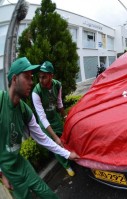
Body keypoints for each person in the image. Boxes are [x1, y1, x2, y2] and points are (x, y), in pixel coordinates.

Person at [0, 57, 80, 199]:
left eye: (32, 77)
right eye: (27, 77)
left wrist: (67, 154)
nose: (32, 82)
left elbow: (42, 138)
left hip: (20, 163)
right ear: (14, 79)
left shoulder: (25, 110)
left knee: (48, 194)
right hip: (7, 170)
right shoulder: (1, 101)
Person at [32, 61, 75, 177]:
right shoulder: (36, 92)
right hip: (45, 122)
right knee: (55, 144)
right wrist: (55, 137)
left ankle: (70, 156)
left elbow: (59, 103)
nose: (41, 80)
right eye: (39, 77)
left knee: (64, 137)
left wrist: (65, 117)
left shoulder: (57, 85)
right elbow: (42, 117)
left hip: (54, 116)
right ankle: (66, 165)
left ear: (51, 75)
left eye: (44, 77)